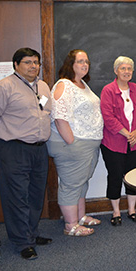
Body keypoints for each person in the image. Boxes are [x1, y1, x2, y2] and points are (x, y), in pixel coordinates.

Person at [0, 47, 53, 260]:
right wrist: (3, 141)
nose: (34, 66)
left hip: (39, 149)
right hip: (13, 149)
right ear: (16, 65)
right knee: (17, 196)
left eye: (36, 62)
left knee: (35, 194)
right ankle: (22, 242)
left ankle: (31, 233)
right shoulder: (3, 87)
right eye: (28, 62)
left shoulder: (43, 86)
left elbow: (44, 111)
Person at [48, 49, 103, 237]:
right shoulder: (64, 84)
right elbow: (59, 115)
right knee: (71, 184)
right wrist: (72, 142)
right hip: (72, 145)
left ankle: (80, 217)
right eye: (80, 61)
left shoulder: (82, 85)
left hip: (86, 145)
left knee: (81, 183)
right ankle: (70, 225)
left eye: (86, 61)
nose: (84, 65)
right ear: (70, 64)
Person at [100, 56, 136, 226]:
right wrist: (127, 133)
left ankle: (132, 210)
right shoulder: (108, 90)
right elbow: (108, 116)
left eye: (129, 69)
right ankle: (116, 211)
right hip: (113, 142)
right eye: (123, 69)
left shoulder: (135, 88)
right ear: (116, 71)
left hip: (135, 141)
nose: (126, 72)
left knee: (133, 176)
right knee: (115, 176)